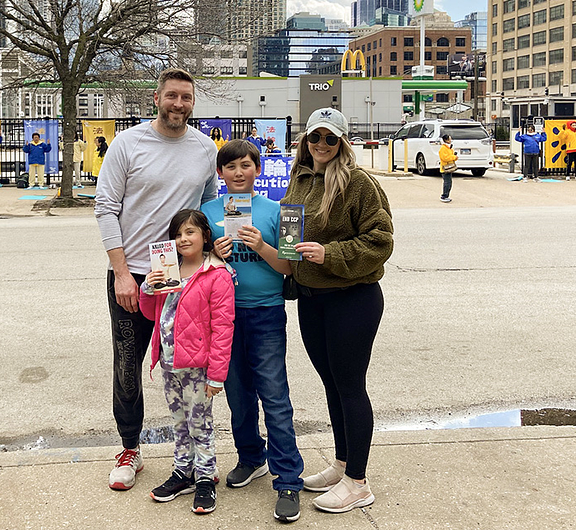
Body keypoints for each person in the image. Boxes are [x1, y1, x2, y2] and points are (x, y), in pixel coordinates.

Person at [93, 68, 219, 492]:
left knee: (185, 366)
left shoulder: (204, 149)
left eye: (186, 98)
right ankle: (130, 448)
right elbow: (105, 207)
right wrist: (122, 273)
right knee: (128, 366)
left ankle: (194, 456)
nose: (178, 104)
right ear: (156, 98)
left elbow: (208, 207)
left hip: (184, 279)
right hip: (135, 276)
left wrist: (214, 256)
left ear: (193, 102)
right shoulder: (129, 144)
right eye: (171, 96)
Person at [282, 107, 393, 514]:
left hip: (352, 299)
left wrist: (330, 254)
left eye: (331, 138)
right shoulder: (300, 179)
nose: (322, 145)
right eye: (316, 137)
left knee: (349, 386)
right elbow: (289, 238)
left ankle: (358, 482)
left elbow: (381, 241)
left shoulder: (359, 183)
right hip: (313, 301)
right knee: (331, 384)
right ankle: (343, 463)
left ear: (343, 142)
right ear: (305, 140)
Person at [204, 139, 305, 523]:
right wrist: (216, 252)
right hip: (223, 317)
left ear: (258, 170)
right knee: (237, 394)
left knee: (274, 395)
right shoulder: (207, 211)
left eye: (246, 165)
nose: (239, 172)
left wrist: (261, 245)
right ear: (220, 174)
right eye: (231, 167)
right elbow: (195, 261)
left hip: (265, 314)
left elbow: (289, 268)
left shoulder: (277, 211)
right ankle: (251, 456)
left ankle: (288, 480)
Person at [139, 209, 234, 514]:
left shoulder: (217, 274)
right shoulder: (169, 271)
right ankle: (184, 472)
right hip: (170, 363)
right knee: (179, 422)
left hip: (199, 369)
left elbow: (223, 327)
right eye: (178, 234)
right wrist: (147, 288)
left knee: (199, 423)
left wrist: (217, 375)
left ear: (206, 236)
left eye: (190, 232)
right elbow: (153, 314)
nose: (183, 239)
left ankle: (205, 476)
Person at [439, 134, 457, 203]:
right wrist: (453, 157)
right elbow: (445, 158)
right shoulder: (443, 148)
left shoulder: (449, 148)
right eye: (449, 139)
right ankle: (444, 196)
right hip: (445, 168)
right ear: (446, 140)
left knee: (449, 182)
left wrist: (454, 156)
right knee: (447, 182)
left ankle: (446, 195)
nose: (450, 140)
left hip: (449, 167)